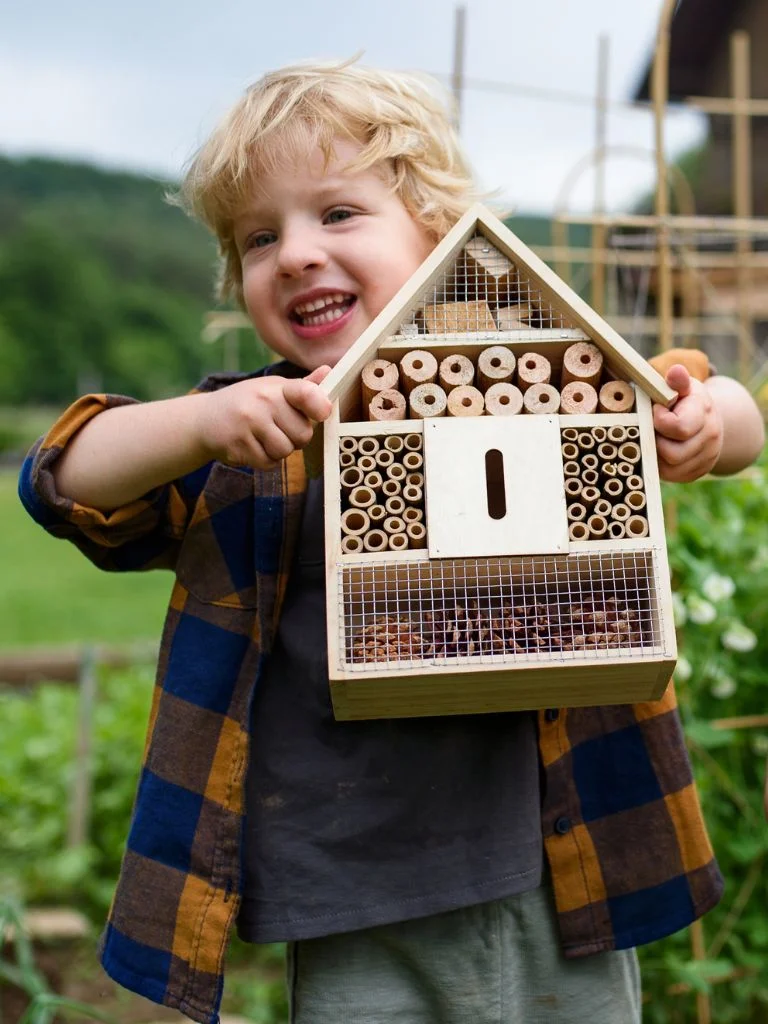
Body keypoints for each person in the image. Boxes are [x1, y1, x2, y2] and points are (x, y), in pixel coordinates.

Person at [18, 59, 765, 1024]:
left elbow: (711, 402)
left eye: (336, 214)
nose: (293, 254)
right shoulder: (251, 431)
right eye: (257, 237)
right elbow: (62, 476)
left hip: (554, 860)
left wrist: (706, 427)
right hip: (350, 884)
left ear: (438, 232)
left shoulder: (531, 374)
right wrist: (199, 426)